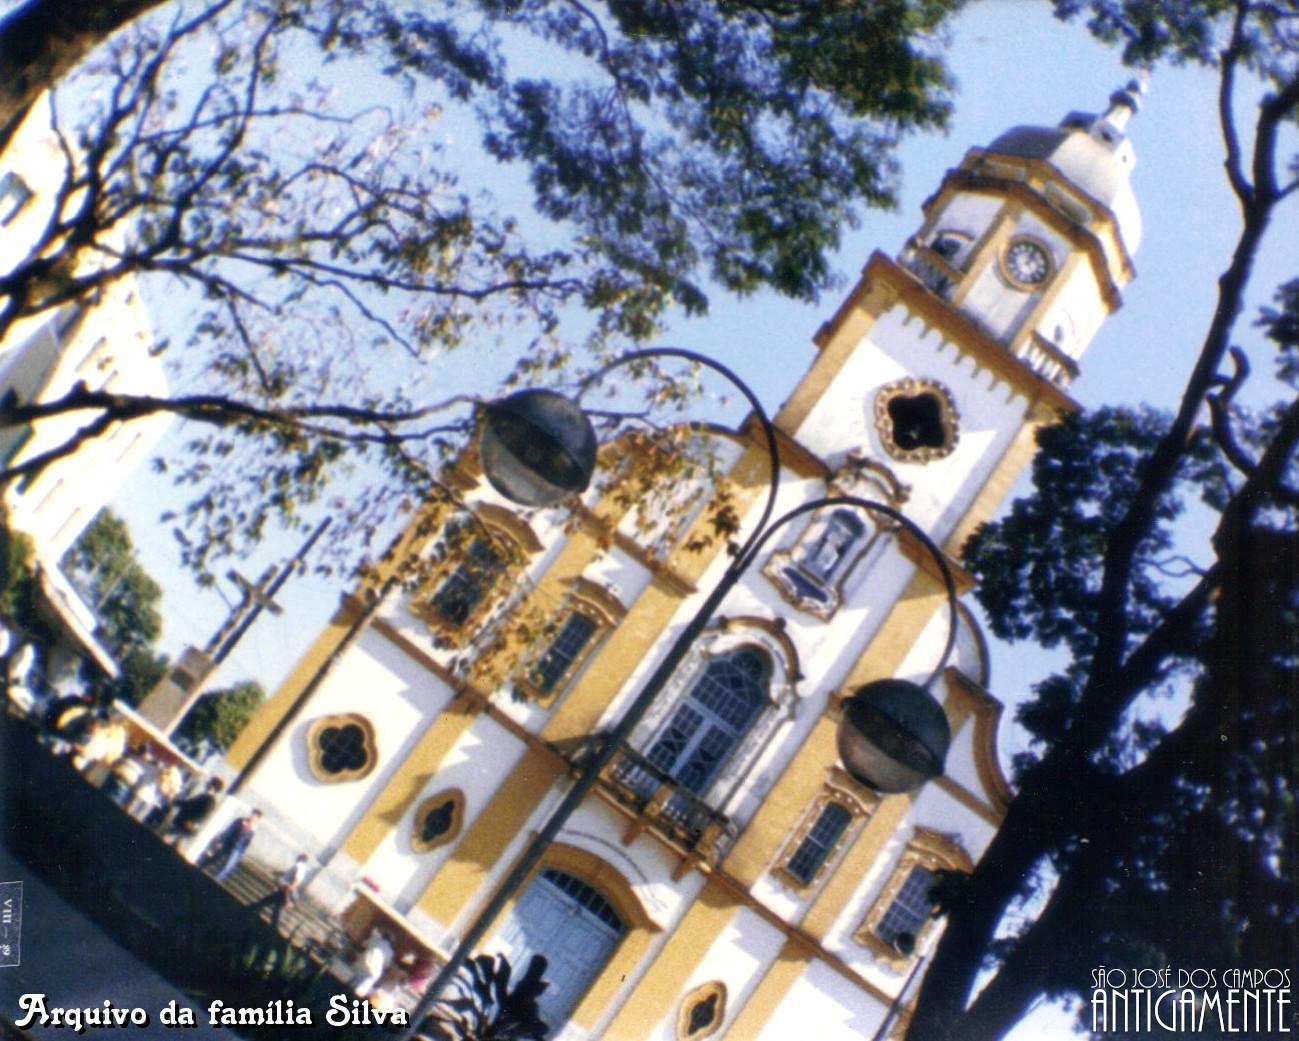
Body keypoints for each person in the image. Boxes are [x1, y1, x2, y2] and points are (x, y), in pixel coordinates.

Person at [250, 853, 310, 933]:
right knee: (275, 908)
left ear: (301, 858)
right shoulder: (299, 866)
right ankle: (272, 928)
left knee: (268, 902)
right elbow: (289, 875)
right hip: (284, 889)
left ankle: (252, 909)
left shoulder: (300, 866)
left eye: (298, 856)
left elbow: (297, 879)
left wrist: (289, 891)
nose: (296, 857)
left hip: (285, 890)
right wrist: (278, 873)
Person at [203, 809, 261, 882]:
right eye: (252, 815)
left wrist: (241, 853)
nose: (253, 817)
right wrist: (221, 840)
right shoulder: (240, 821)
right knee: (215, 857)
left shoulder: (253, 829)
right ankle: (201, 866)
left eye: (255, 817)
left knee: (227, 866)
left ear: (257, 819)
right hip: (228, 843)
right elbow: (229, 830)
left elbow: (247, 842)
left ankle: (216, 880)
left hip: (238, 849)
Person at [164, 777, 224, 845]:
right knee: (172, 840)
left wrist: (191, 822)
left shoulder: (209, 800)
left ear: (213, 786)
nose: (207, 783)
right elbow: (188, 803)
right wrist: (174, 801)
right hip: (182, 825)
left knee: (165, 836)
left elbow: (200, 813)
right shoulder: (204, 796)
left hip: (184, 827)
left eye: (209, 782)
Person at [351, 927, 394, 999]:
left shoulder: (375, 939)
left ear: (383, 935)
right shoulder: (390, 951)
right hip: (374, 971)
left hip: (364, 962)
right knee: (363, 987)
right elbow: (386, 965)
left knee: (354, 975)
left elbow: (364, 944)